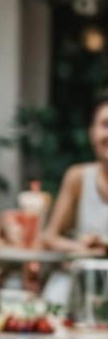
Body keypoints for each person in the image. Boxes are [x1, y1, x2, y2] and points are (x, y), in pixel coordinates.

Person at [42, 92, 108, 254]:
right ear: (91, 132)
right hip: (81, 276)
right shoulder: (78, 178)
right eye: (105, 125)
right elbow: (49, 238)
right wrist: (84, 248)